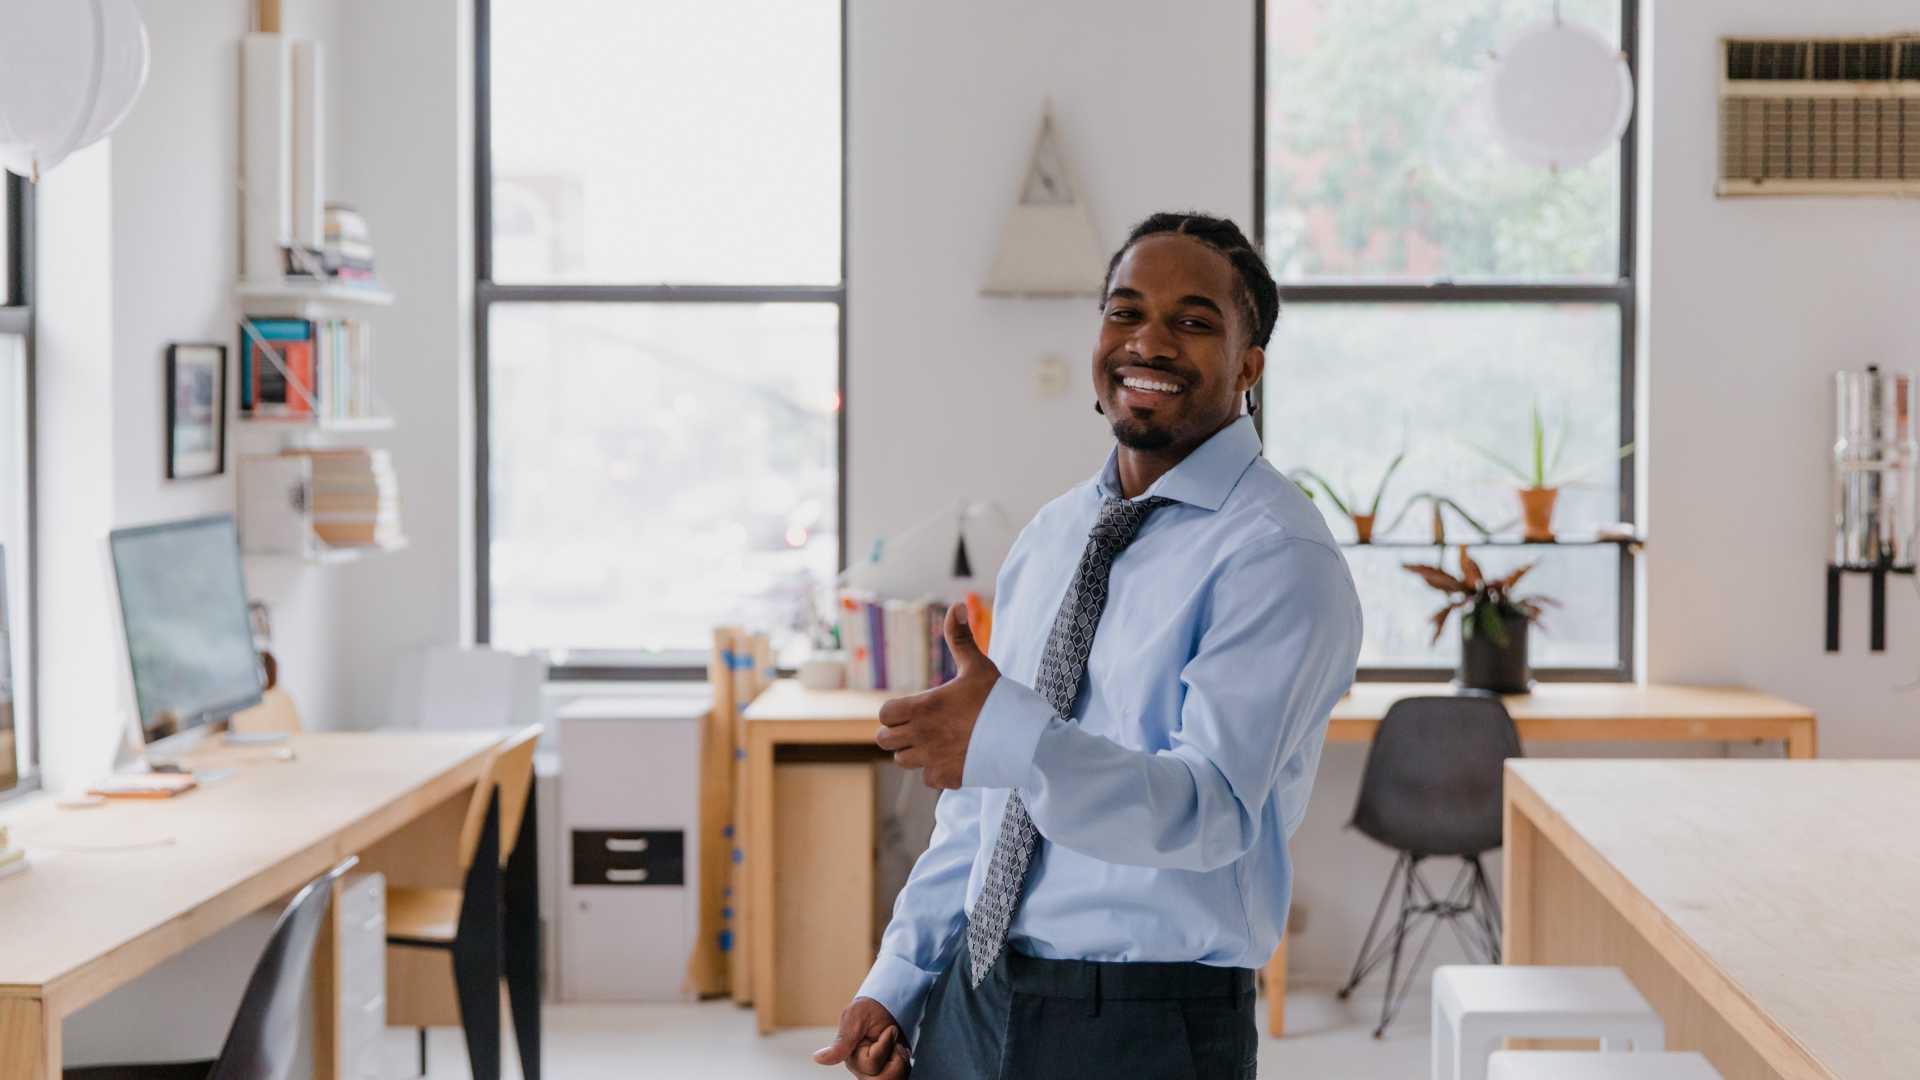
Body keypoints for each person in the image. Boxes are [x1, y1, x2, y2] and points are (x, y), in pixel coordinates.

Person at [812, 211, 1363, 1079]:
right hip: (976, 993)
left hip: (1145, 1024)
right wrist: (905, 975)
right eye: (1124, 311)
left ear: (1249, 367)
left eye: (1193, 320)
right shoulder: (1055, 533)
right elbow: (983, 804)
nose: (1149, 341)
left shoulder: (1275, 557)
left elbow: (1209, 810)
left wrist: (1011, 736)